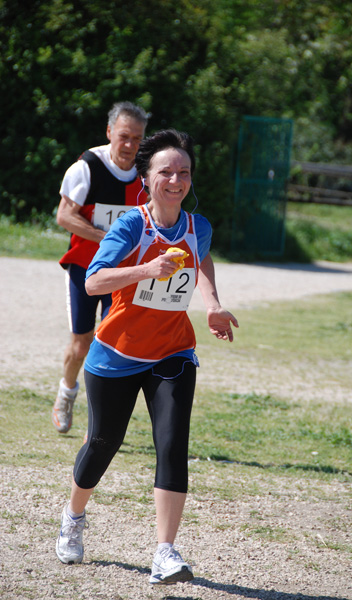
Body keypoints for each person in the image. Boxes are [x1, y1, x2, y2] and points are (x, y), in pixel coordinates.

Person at [55, 128, 239, 585]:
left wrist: (213, 304)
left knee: (173, 444)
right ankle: (74, 517)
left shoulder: (199, 226)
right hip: (117, 353)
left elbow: (201, 259)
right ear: (147, 178)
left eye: (184, 172)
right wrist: (146, 268)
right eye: (165, 172)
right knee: (102, 444)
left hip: (173, 352)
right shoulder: (131, 226)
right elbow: (95, 282)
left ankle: (165, 552)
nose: (175, 180)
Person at [52, 101, 149, 434]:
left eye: (137, 139)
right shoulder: (87, 167)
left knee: (113, 342)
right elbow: (64, 216)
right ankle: (66, 394)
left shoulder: (147, 175)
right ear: (109, 132)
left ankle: (104, 418)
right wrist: (106, 237)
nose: (129, 145)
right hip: (83, 267)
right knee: (82, 343)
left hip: (120, 274)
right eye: (124, 136)